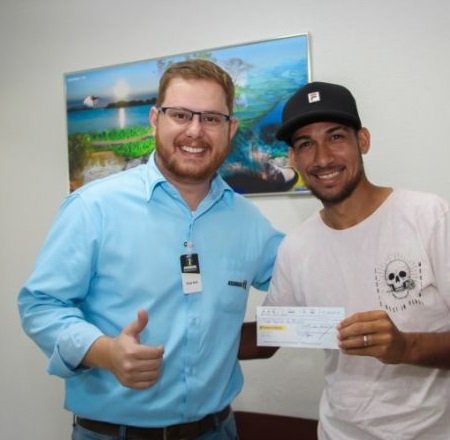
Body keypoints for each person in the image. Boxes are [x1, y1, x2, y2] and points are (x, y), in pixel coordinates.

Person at [18, 59, 284, 440]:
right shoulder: (93, 208)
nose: (195, 131)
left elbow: (304, 275)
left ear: (231, 129)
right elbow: (40, 305)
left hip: (217, 431)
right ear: (155, 119)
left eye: (211, 118)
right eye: (181, 115)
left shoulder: (249, 223)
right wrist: (104, 351)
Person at [248, 81, 450, 439]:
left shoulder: (429, 216)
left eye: (336, 137)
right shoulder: (296, 248)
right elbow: (269, 336)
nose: (322, 158)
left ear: (363, 141)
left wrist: (406, 346)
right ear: (293, 158)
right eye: (306, 144)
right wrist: (180, 338)